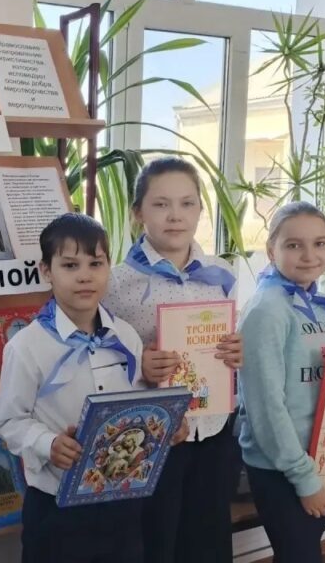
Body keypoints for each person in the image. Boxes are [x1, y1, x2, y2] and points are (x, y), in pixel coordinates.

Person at [0, 212, 187, 563]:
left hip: (122, 504)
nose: (85, 276)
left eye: (96, 263)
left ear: (108, 267)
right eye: (70, 265)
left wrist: (166, 423)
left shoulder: (125, 336)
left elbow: (137, 405)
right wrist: (49, 443)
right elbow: (10, 422)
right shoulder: (26, 347)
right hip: (56, 509)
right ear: (46, 271)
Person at [103, 157, 242, 563]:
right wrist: (138, 364)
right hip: (153, 436)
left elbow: (230, 341)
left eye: (187, 203)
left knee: (209, 543)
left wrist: (239, 351)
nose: (175, 215)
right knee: (156, 541)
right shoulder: (116, 282)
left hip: (213, 430)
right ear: (138, 213)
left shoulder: (221, 272)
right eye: (161, 204)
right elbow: (100, 356)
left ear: (200, 210)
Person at [238, 202, 325, 563]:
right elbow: (266, 407)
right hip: (283, 466)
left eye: (320, 243)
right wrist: (305, 477)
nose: (309, 255)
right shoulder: (266, 311)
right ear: (271, 250)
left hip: (324, 456)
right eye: (294, 245)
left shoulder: (324, 306)